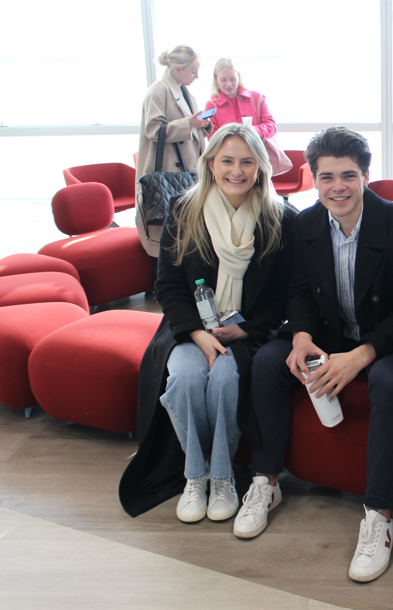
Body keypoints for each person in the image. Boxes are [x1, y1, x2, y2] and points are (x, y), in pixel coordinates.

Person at [241, 127, 393, 583]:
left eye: (348, 175)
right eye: (326, 177)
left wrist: (362, 355)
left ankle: (380, 511)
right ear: (313, 178)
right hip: (326, 333)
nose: (337, 187)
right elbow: (299, 291)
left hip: (388, 340)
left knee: (387, 381)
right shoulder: (304, 224)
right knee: (268, 361)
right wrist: (302, 335)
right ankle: (266, 481)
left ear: (366, 175)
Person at [119, 124, 296, 525]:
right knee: (182, 378)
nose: (237, 170)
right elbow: (166, 285)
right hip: (190, 328)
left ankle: (222, 479)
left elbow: (283, 297)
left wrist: (245, 331)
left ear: (260, 167)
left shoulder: (279, 218)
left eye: (247, 161)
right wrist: (198, 334)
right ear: (211, 164)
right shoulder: (185, 209)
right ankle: (194, 476)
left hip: (246, 331)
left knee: (224, 381)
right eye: (227, 161)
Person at [136, 45, 213, 258]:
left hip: (186, 168)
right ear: (178, 69)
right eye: (193, 71)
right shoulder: (158, 90)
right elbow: (154, 129)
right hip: (169, 169)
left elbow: (188, 125)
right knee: (169, 230)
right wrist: (189, 122)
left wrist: (202, 124)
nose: (197, 76)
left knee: (185, 228)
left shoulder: (184, 91)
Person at [204, 57, 291, 177]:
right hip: (229, 161)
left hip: (257, 158)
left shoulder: (256, 98)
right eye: (223, 79)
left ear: (239, 77)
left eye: (233, 79)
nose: (228, 84)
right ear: (216, 79)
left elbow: (271, 126)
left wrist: (253, 131)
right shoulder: (211, 105)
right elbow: (211, 136)